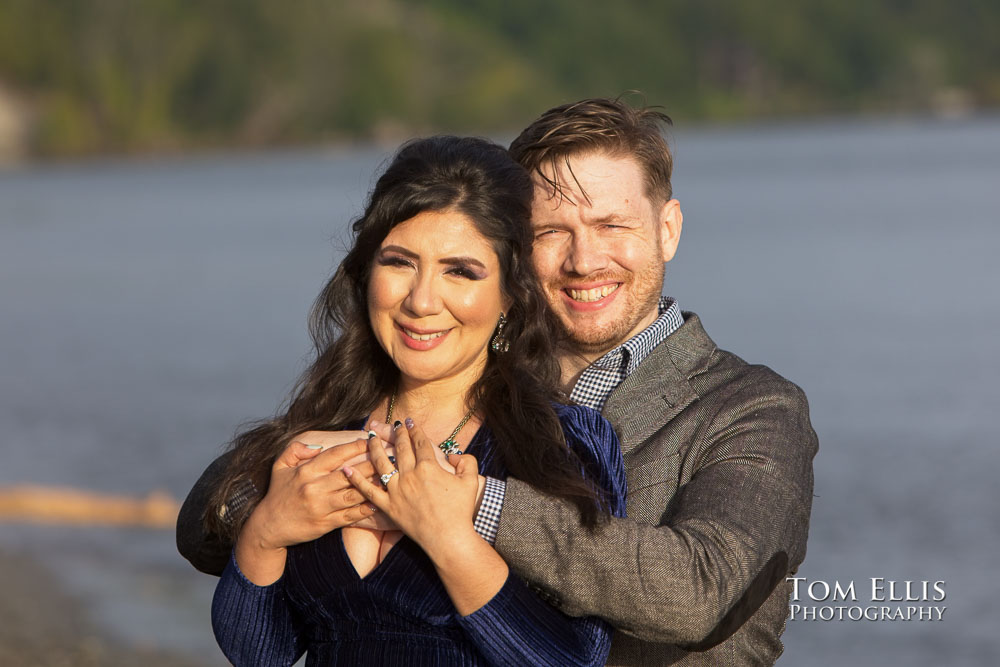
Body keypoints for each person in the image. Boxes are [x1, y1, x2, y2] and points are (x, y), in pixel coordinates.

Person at [180, 98, 818, 666]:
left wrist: (473, 505)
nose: (583, 259)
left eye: (611, 226)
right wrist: (287, 504)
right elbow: (203, 522)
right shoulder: (452, 368)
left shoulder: (753, 407)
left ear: (668, 228)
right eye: (550, 232)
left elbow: (697, 592)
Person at [207, 135, 627, 666]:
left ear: (510, 294)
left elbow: (575, 660)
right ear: (366, 273)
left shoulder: (560, 444)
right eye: (400, 262)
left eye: (460, 271)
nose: (421, 300)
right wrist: (266, 532)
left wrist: (448, 539)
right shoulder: (323, 428)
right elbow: (257, 653)